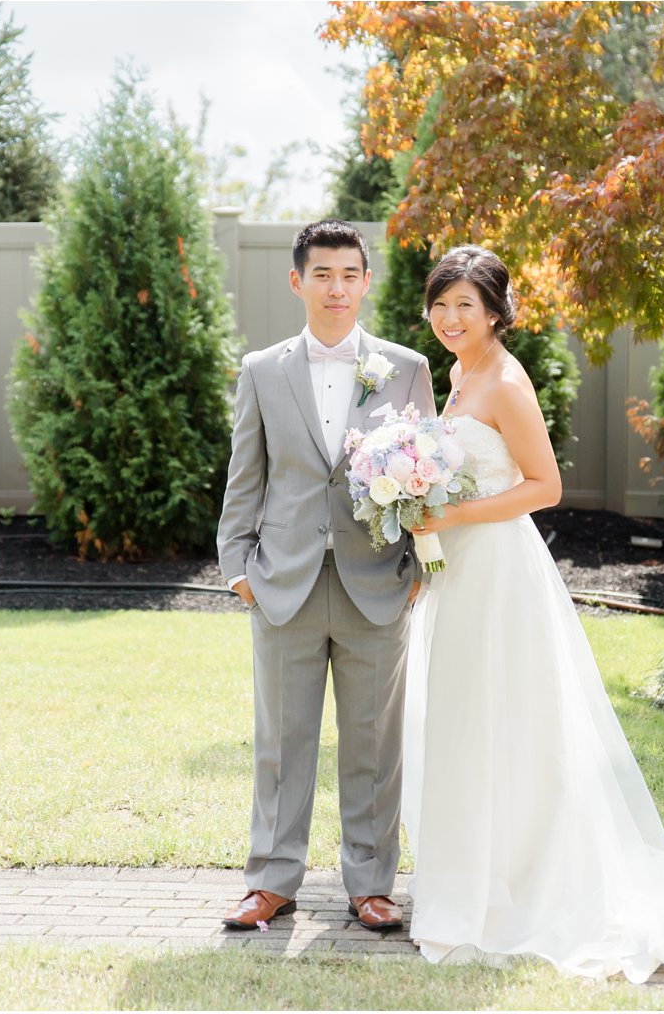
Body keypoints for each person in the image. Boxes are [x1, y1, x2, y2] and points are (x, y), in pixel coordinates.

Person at [404, 245, 664, 985]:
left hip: (501, 568)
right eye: (439, 304)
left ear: (497, 312)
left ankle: (533, 880)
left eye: (463, 305)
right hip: (462, 569)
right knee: (471, 718)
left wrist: (452, 510)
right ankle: (482, 871)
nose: (447, 318)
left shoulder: (503, 379)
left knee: (509, 719)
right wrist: (425, 530)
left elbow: (545, 485)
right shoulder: (459, 374)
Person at [216, 220, 435, 933]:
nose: (336, 288)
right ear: (297, 282)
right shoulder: (261, 370)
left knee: (374, 744)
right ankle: (270, 882)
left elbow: (431, 481)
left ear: (366, 282)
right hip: (283, 584)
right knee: (282, 741)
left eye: (349, 275)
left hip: (378, 583)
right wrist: (238, 572)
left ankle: (371, 885)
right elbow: (244, 480)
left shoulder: (407, 369)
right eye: (322, 275)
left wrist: (418, 573)